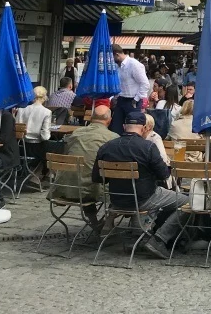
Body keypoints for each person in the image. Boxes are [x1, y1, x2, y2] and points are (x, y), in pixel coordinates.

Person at [92, 111, 188, 260]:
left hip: (116, 200)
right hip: (144, 198)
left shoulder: (107, 147)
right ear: (144, 128)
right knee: (188, 202)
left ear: (124, 127)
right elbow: (164, 175)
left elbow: (97, 178)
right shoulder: (148, 147)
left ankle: (141, 231)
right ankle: (159, 238)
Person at [53, 105, 118, 225]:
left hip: (65, 188)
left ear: (91, 118)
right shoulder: (113, 138)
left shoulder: (76, 133)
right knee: (119, 186)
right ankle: (109, 223)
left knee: (86, 173)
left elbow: (66, 154)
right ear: (109, 120)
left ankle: (95, 222)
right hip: (92, 190)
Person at [111, 44, 150, 134]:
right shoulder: (117, 66)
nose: (110, 60)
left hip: (133, 100)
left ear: (117, 55)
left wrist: (136, 99)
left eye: (111, 57)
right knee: (116, 129)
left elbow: (145, 84)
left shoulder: (134, 64)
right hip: (121, 99)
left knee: (133, 130)